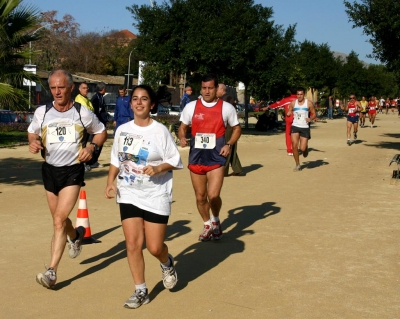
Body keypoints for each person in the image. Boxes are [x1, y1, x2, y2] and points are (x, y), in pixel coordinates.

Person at [27, 70, 107, 289]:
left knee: (58, 220)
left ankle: (51, 271)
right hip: (50, 170)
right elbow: (32, 132)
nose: (57, 92)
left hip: (73, 171)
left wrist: (92, 146)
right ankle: (75, 236)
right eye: (53, 88)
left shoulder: (82, 112)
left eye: (61, 87)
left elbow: (101, 132)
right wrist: (33, 142)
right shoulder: (42, 112)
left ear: (70, 88)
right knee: (60, 220)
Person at [105, 84, 183, 309]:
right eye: (135, 99)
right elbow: (116, 159)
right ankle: (141, 290)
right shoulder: (122, 130)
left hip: (155, 193)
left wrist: (158, 169)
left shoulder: (160, 131)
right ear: (130, 104)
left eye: (144, 99)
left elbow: (175, 160)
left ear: (152, 104)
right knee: (132, 244)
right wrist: (111, 180)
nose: (139, 102)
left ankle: (166, 262)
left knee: (155, 247)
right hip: (128, 192)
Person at [178, 73, 241, 241]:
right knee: (200, 196)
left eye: (210, 88)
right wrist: (182, 137)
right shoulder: (191, 107)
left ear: (216, 88)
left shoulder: (226, 108)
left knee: (213, 195)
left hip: (217, 158)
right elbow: (182, 127)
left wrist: (229, 144)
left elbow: (237, 129)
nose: (207, 91)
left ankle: (216, 220)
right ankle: (207, 225)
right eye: (204, 88)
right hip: (196, 157)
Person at [286, 87, 316, 171]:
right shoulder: (293, 103)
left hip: (305, 127)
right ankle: (297, 165)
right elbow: (290, 110)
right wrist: (288, 113)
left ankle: (305, 148)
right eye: (298, 94)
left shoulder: (309, 103)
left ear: (304, 95)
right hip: (295, 126)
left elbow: (314, 114)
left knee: (302, 149)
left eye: (301, 94)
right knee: (294, 146)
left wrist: (310, 118)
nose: (299, 96)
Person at [217, 83, 243, 176]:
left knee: (227, 146)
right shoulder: (222, 99)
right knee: (230, 148)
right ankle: (237, 169)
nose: (215, 91)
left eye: (217, 89)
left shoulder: (227, 99)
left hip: (229, 126)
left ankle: (223, 170)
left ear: (222, 90)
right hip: (226, 125)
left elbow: (226, 113)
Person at [75, 82, 95, 172]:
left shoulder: (86, 99)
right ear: (79, 89)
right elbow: (87, 111)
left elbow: (91, 109)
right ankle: (82, 164)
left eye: (87, 88)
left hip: (87, 126)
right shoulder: (79, 99)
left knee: (84, 144)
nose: (86, 89)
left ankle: (83, 163)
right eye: (83, 88)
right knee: (82, 145)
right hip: (81, 126)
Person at [89, 82, 108, 168]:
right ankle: (91, 161)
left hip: (102, 123)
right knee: (96, 143)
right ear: (102, 89)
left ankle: (95, 161)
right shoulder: (95, 98)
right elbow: (95, 112)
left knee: (100, 144)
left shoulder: (101, 97)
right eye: (105, 88)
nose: (106, 90)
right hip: (97, 125)